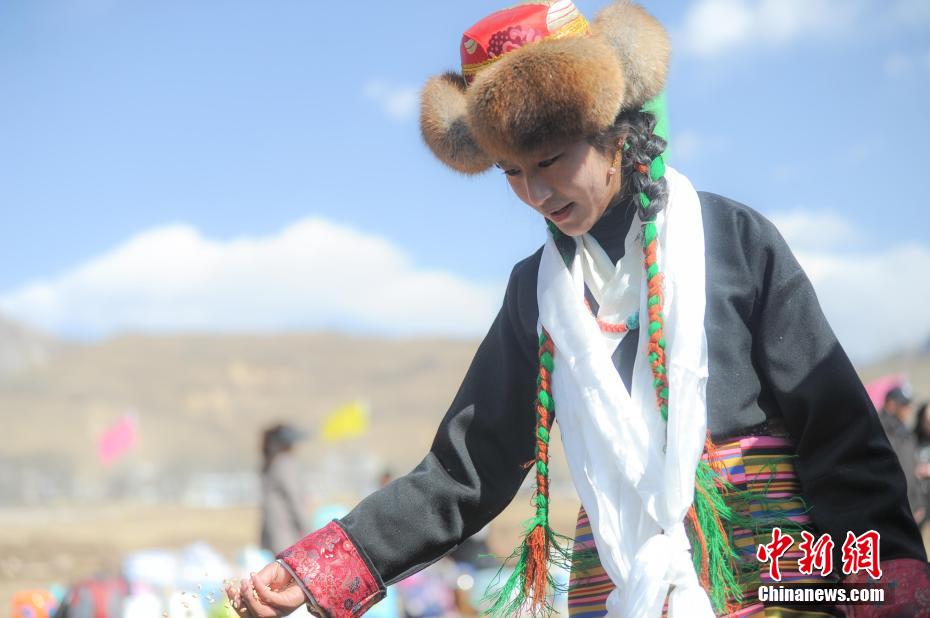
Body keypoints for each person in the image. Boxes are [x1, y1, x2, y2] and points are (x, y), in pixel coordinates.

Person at [226, 2, 930, 616]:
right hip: (616, 580)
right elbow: (466, 469)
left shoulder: (734, 240)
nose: (535, 193)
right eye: (511, 171)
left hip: (771, 569)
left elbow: (836, 426)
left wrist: (890, 576)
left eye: (551, 160)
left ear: (614, 131)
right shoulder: (534, 293)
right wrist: (318, 567)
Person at [259, 423, 308, 555]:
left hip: (274, 532)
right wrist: (307, 530)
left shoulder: (272, 463)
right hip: (286, 533)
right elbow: (295, 499)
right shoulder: (285, 463)